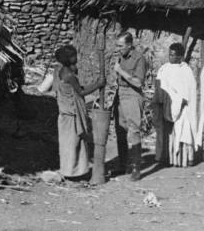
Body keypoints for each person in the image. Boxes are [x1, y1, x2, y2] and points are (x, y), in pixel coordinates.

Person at [51, 45, 104, 179]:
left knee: (69, 145)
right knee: (74, 144)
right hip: (71, 116)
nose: (77, 58)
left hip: (64, 115)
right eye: (74, 56)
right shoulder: (69, 75)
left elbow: (76, 89)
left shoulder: (60, 70)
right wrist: (98, 85)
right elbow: (80, 92)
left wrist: (94, 83)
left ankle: (72, 172)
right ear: (68, 58)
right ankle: (72, 174)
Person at [112, 31, 148, 181]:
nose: (118, 49)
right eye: (117, 46)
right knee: (120, 129)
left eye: (121, 46)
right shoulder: (121, 56)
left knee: (133, 130)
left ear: (129, 45)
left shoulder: (139, 58)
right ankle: (123, 165)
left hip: (133, 94)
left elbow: (139, 82)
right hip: (120, 93)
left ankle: (136, 168)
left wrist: (121, 71)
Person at [156, 42, 198, 167]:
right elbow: (161, 86)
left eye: (174, 55)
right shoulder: (164, 69)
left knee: (184, 129)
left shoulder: (186, 71)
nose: (171, 57)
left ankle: (187, 158)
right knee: (170, 133)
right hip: (168, 105)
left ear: (181, 57)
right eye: (170, 55)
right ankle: (171, 159)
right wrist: (170, 100)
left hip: (184, 107)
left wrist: (182, 100)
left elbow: (190, 90)